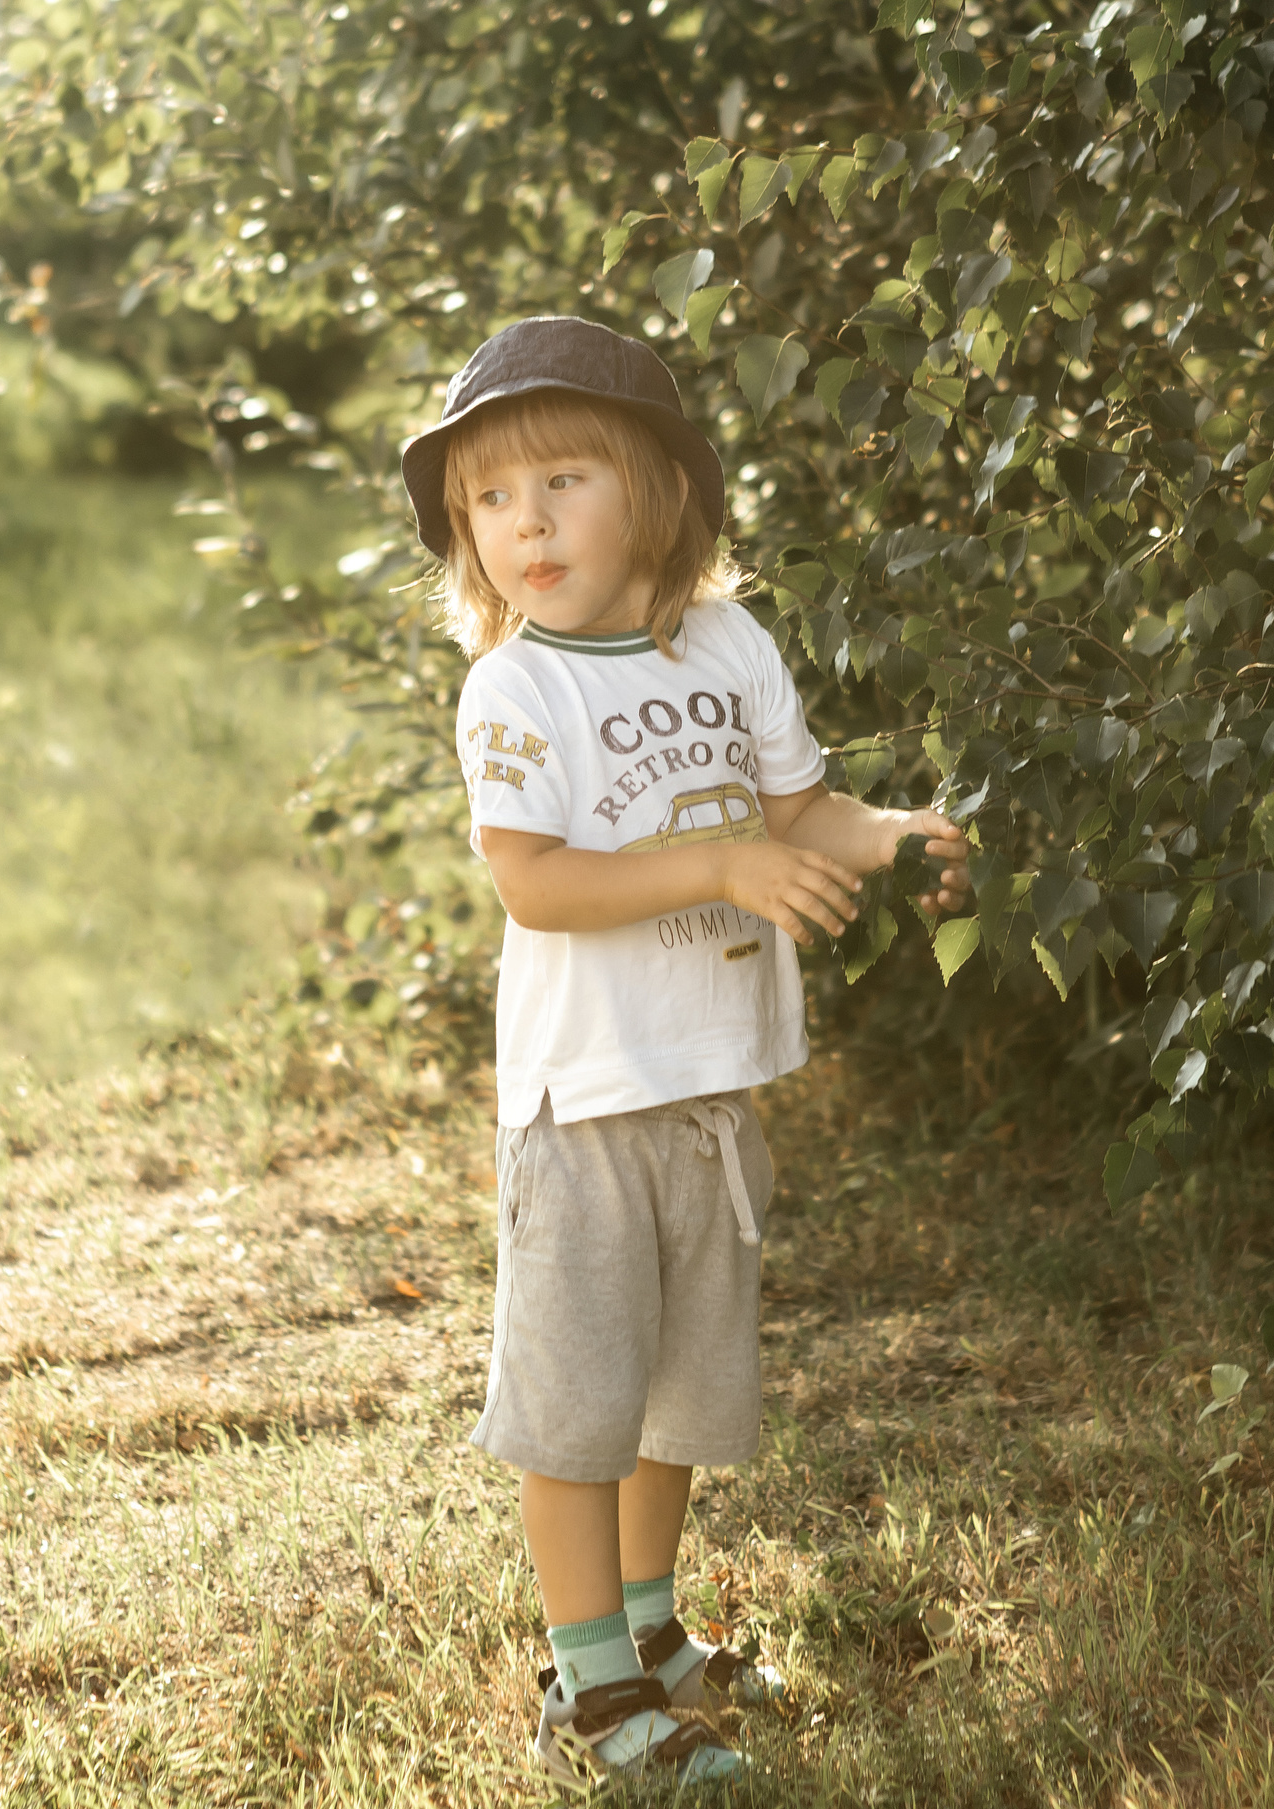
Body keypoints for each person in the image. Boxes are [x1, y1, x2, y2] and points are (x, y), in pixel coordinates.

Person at [407, 316, 971, 1787]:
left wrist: (897, 838)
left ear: (660, 487)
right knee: (580, 1412)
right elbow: (538, 882)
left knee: (673, 1397)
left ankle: (651, 1640)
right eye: (490, 501)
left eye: (564, 481)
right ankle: (589, 1690)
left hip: (708, 1097)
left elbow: (798, 819)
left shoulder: (727, 643)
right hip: (584, 1103)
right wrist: (721, 867)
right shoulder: (517, 691)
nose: (523, 521)